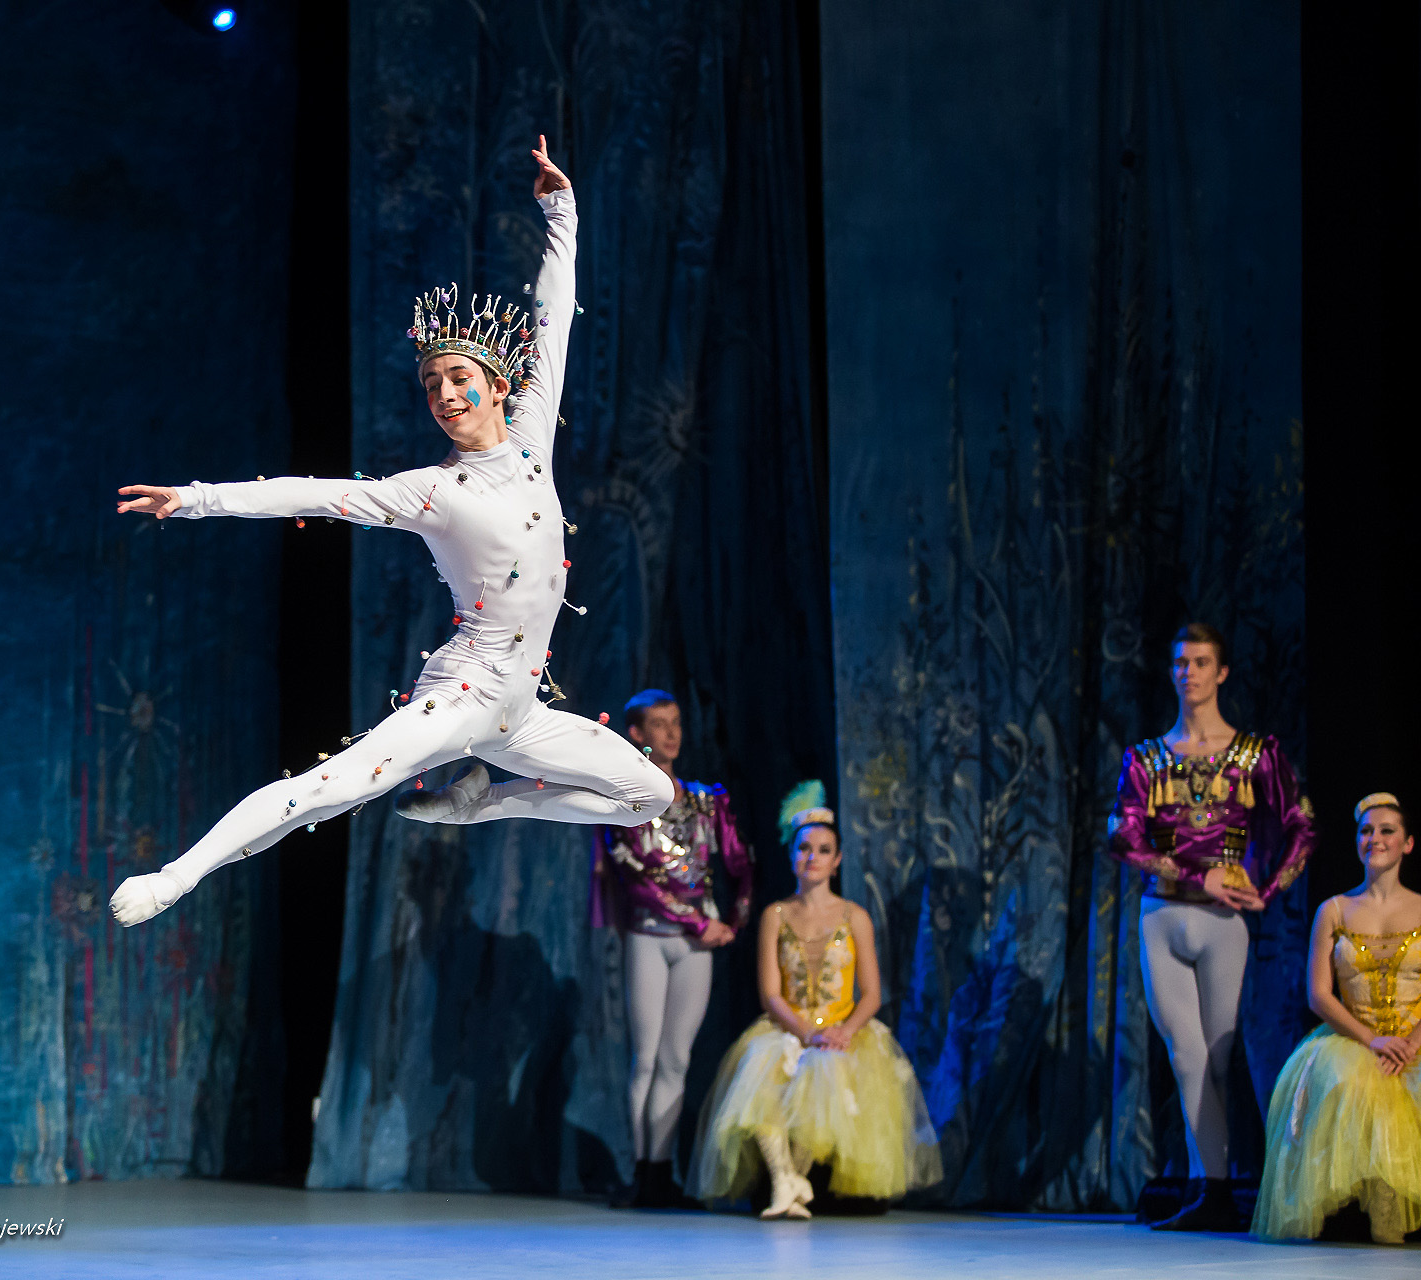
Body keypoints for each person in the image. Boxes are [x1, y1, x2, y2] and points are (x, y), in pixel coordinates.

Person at [107, 137, 673, 928]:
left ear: (498, 387)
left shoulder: (531, 436)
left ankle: (478, 804)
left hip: (521, 713)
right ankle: (178, 876)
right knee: (329, 788)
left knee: (649, 795)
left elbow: (553, 321)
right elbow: (317, 494)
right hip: (465, 694)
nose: (444, 394)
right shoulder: (432, 491)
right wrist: (195, 500)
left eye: (459, 378)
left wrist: (561, 211)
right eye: (431, 383)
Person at [1106, 622, 1317, 1231]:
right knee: (1187, 1053)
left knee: (1218, 1060)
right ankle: (1213, 1189)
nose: (1188, 673)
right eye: (1180, 663)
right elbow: (1123, 835)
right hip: (1164, 914)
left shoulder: (1255, 755)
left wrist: (1267, 891)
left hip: (1226, 924)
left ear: (1221, 672)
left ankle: (1217, 1185)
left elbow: (1301, 825)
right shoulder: (1147, 758)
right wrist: (1200, 877)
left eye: (1200, 663)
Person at [687, 783, 940, 1219]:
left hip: (842, 1027)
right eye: (804, 848)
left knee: (826, 1077)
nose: (813, 857)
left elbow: (872, 993)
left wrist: (842, 1032)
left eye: (824, 850)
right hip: (790, 1025)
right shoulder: (775, 915)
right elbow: (770, 993)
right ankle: (784, 1179)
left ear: (837, 860)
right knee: (760, 1080)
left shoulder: (855, 916)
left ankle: (796, 1180)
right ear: (791, 855)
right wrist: (806, 1032)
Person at [592, 690, 752, 1209]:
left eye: (676, 722)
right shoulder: (625, 801)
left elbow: (740, 863)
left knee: (676, 1059)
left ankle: (663, 1172)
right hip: (650, 938)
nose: (671, 733)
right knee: (646, 1058)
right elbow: (637, 877)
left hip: (695, 946)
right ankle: (643, 1172)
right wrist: (699, 922)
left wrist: (731, 923)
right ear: (637, 734)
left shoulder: (707, 800)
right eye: (658, 724)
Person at [1253, 793, 1421, 1244]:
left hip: (1414, 1040)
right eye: (1366, 831)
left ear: (1407, 843)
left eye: (1387, 830)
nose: (1375, 838)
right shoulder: (1335, 909)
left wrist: (1409, 1043)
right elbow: (1319, 995)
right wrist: (1373, 1040)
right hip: (1356, 1038)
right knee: (1340, 1079)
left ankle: (1394, 1227)